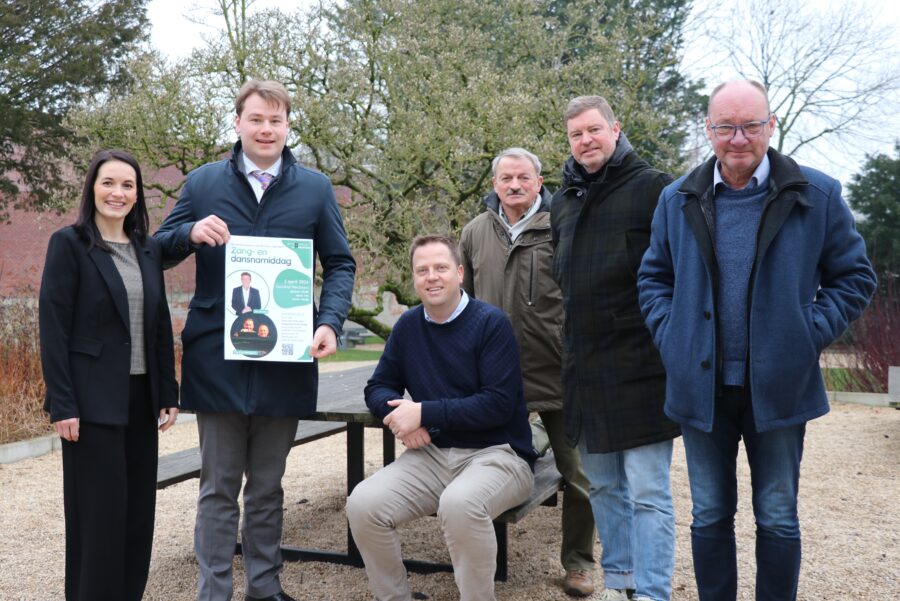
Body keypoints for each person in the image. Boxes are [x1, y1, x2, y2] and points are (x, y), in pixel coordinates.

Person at [637, 79, 876, 601]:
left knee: (777, 516)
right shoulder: (676, 198)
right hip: (702, 388)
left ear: (771, 126)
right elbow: (654, 279)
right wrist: (673, 335)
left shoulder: (816, 194)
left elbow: (856, 278)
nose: (738, 137)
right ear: (709, 130)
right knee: (709, 515)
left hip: (780, 385)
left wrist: (805, 332)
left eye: (750, 125)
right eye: (725, 126)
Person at [154, 79, 356, 601]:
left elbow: (339, 263)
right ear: (238, 123)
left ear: (288, 127)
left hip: (285, 359)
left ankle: (265, 589)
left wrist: (330, 321)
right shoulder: (201, 184)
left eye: (277, 120)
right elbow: (154, 250)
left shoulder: (315, 188)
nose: (267, 129)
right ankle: (213, 593)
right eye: (257, 119)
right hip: (217, 362)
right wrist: (189, 232)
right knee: (218, 489)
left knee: (267, 488)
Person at [346, 235, 537, 601]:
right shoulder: (408, 327)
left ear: (460, 273)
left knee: (460, 504)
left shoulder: (491, 324)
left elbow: (497, 404)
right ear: (414, 279)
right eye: (422, 271)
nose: (431, 277)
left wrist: (425, 412)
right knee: (363, 504)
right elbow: (378, 387)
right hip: (433, 455)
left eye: (441, 268)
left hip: (500, 455)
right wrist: (403, 419)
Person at [551, 96, 680, 601]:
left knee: (649, 494)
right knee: (603, 488)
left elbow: (678, 276)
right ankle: (621, 584)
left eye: (593, 130)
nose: (586, 141)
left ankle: (651, 593)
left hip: (644, 367)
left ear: (615, 129)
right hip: (585, 370)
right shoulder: (562, 201)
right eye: (576, 135)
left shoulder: (655, 188)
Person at [39, 149, 180, 601]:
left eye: (127, 186)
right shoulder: (69, 244)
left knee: (138, 517)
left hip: (141, 401)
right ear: (92, 188)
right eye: (108, 183)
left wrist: (168, 390)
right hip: (90, 404)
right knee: (98, 520)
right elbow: (53, 329)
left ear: (137, 195)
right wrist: (62, 404)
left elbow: (158, 325)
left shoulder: (148, 249)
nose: (117, 193)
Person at [459, 147, 597, 597]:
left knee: (579, 476)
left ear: (540, 182)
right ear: (495, 183)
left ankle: (578, 562)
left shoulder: (564, 226)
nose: (514, 185)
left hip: (558, 373)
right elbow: (467, 305)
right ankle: (483, 557)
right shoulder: (475, 232)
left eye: (523, 178)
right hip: (495, 380)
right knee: (479, 468)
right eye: (505, 178)